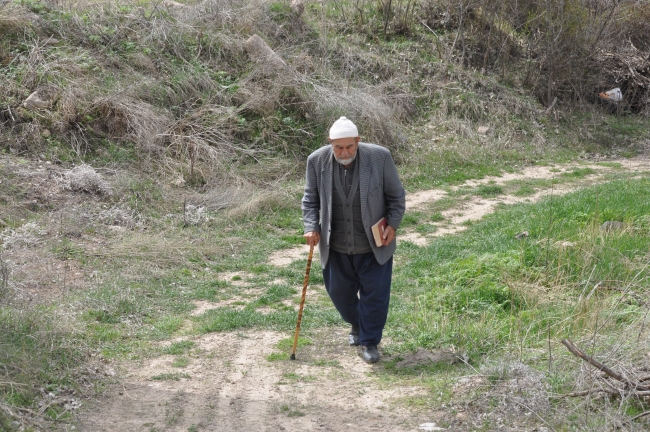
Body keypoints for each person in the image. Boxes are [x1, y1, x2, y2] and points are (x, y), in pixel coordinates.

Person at [301, 116, 406, 363]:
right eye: (338, 147)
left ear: (358, 141)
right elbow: (310, 199)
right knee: (339, 293)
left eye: (349, 146)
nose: (344, 152)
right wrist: (310, 226)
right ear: (330, 143)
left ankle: (369, 341)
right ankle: (358, 324)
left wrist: (392, 224)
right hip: (336, 245)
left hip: (373, 245)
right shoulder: (316, 161)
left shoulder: (379, 157)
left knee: (375, 295)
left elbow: (396, 197)